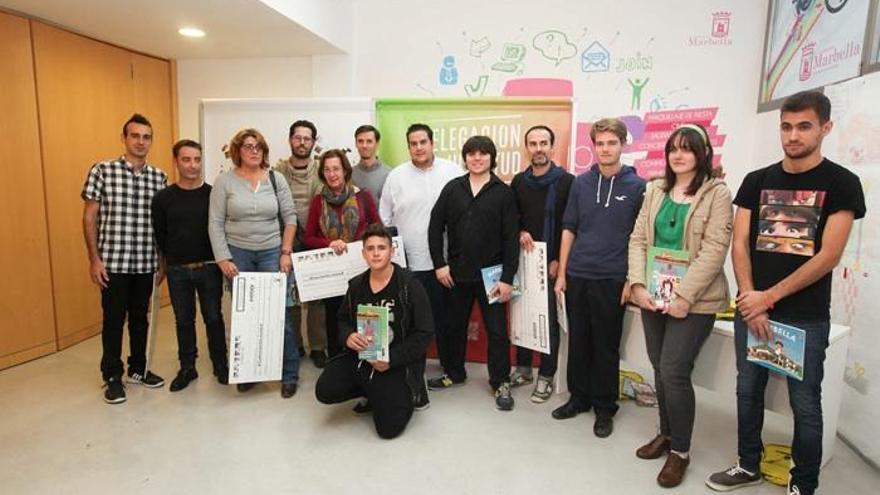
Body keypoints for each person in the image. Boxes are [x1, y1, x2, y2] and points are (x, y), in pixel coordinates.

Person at [706, 91, 865, 495]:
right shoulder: (757, 180)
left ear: (825, 128)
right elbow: (740, 243)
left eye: (804, 126)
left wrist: (767, 298)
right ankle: (748, 465)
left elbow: (828, 255)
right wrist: (750, 298)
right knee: (747, 390)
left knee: (805, 403)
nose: (793, 135)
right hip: (752, 309)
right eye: (786, 126)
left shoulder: (842, 184)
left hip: (804, 317)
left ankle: (804, 483)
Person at [628, 124, 733, 487]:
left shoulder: (717, 193)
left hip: (696, 300)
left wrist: (684, 296)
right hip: (653, 293)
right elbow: (639, 239)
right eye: (673, 148)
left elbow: (714, 251)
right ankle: (667, 434)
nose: (678, 155)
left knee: (674, 370)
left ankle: (681, 452)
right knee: (658, 367)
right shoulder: (655, 189)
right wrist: (638, 284)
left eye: (687, 149)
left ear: (703, 154)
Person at [554, 118, 646, 436]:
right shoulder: (580, 183)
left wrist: (632, 280)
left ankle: (605, 408)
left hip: (612, 277)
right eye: (600, 143)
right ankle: (578, 398)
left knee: (606, 347)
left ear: (623, 145)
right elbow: (569, 228)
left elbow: (640, 239)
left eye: (612, 143)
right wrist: (562, 274)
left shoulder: (638, 187)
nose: (605, 149)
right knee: (578, 340)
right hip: (578, 273)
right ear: (593, 146)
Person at [315, 223, 433, 439]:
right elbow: (341, 320)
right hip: (363, 357)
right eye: (370, 248)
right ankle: (370, 391)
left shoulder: (409, 285)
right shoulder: (357, 285)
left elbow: (424, 333)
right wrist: (348, 336)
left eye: (382, 247)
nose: (376, 253)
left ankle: (413, 389)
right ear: (363, 253)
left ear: (392, 251)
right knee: (325, 390)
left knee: (388, 429)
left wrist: (392, 359)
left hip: (396, 363)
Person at [427, 135, 520, 410]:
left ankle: (500, 381)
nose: (477, 158)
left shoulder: (503, 193)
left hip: (492, 276)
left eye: (483, 154)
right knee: (453, 326)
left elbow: (511, 239)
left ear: (492, 158)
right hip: (457, 273)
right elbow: (434, 227)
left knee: (497, 331)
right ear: (465, 158)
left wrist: (507, 279)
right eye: (471, 154)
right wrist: (439, 264)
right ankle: (454, 373)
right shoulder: (453, 188)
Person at [82, 113, 168, 404]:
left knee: (140, 320)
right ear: (124, 138)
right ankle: (112, 376)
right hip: (113, 264)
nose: (141, 142)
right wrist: (95, 259)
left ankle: (139, 369)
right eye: (135, 136)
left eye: (146, 137)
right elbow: (89, 216)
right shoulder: (102, 170)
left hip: (145, 263)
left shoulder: (159, 177)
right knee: (113, 320)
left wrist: (162, 261)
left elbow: (162, 224)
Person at [209, 128, 300, 397]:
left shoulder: (276, 178)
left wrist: (285, 252)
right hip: (238, 253)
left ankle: (289, 373)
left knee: (280, 314)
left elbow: (291, 217)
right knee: (245, 317)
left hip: (272, 251)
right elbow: (214, 223)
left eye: (258, 146)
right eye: (248, 146)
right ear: (238, 150)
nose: (253, 150)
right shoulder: (224, 182)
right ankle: (249, 372)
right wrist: (223, 258)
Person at [379, 123, 462, 411]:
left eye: (423, 142)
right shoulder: (396, 176)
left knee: (447, 320)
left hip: (445, 262)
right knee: (410, 324)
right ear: (408, 146)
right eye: (413, 143)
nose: (418, 147)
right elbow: (385, 216)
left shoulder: (452, 171)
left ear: (432, 142)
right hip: (409, 264)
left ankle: (452, 371)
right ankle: (413, 375)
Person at [152, 139, 229, 392]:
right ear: (176, 162)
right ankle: (187, 368)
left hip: (209, 268)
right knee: (183, 320)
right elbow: (161, 236)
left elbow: (222, 230)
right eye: (186, 159)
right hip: (177, 270)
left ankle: (221, 365)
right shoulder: (163, 198)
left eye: (197, 159)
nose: (192, 165)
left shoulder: (213, 194)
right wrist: (164, 266)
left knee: (213, 318)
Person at [509, 125, 574, 402]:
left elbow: (571, 225)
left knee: (546, 322)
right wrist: (520, 231)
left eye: (543, 143)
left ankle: (546, 376)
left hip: (552, 264)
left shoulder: (567, 182)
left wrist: (560, 259)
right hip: (524, 262)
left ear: (552, 147)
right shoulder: (518, 182)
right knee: (522, 315)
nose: (538, 148)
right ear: (527, 148)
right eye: (533, 143)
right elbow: (512, 218)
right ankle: (523, 369)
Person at [303, 149, 381, 358]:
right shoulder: (319, 201)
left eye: (336, 168)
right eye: (327, 170)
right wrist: (329, 243)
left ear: (345, 170)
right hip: (333, 273)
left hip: (361, 269)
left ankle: (368, 356)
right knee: (335, 316)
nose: (332, 174)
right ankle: (338, 359)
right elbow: (308, 237)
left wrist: (360, 244)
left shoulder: (363, 196)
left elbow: (378, 229)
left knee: (363, 313)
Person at [274, 119, 328, 368]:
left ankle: (318, 347)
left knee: (316, 298)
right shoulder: (276, 172)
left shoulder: (321, 170)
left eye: (307, 138)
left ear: (314, 142)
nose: (302, 142)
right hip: (286, 241)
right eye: (298, 137)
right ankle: (294, 344)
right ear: (290, 140)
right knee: (290, 297)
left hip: (314, 239)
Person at [351, 124, 391, 205]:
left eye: (369, 141)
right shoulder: (349, 175)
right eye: (360, 141)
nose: (364, 146)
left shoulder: (390, 174)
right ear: (356, 144)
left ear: (377, 144)